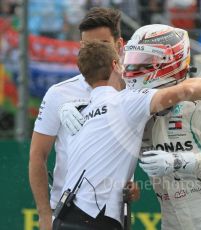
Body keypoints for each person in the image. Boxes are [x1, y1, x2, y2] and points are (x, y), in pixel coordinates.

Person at [53, 40, 201, 229]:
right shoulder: (132, 105)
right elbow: (186, 89)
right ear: (116, 65)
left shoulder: (85, 112)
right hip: (143, 217)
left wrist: (185, 153)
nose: (135, 69)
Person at [122, 24, 201, 229]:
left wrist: (177, 161)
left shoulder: (198, 102)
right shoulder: (134, 107)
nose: (133, 69)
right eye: (132, 60)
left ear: (169, 61)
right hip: (171, 220)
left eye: (143, 62)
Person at [28, 7, 139, 230]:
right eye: (89, 46)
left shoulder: (133, 93)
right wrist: (44, 215)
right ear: (80, 48)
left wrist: (132, 185)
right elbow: (37, 156)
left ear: (119, 45)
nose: (97, 52)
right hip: (67, 212)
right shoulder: (59, 94)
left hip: (114, 215)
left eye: (104, 44)